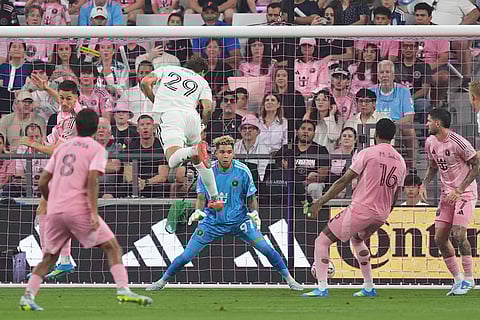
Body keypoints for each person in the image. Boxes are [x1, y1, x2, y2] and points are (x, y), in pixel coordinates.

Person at [19, 109, 152, 311]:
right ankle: (123, 289)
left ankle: (28, 296)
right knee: (113, 247)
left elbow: (44, 181)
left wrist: (51, 200)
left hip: (55, 210)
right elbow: (92, 180)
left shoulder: (62, 148)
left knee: (49, 258)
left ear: (77, 127)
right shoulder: (96, 149)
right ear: (95, 128)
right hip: (78, 209)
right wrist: (92, 211)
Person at [146, 135, 303, 292]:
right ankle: (161, 282)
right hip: (212, 222)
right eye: (222, 152)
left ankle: (290, 280)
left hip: (239, 221)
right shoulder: (207, 171)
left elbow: (252, 197)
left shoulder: (243, 171)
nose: (226, 155)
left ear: (233, 153)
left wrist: (255, 212)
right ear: (216, 154)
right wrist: (199, 211)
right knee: (186, 256)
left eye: (229, 152)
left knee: (267, 249)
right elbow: (201, 197)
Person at [303, 118, 407, 297]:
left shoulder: (368, 153)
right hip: (381, 213)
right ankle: (368, 287)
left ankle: (321, 287)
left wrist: (320, 201)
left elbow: (344, 180)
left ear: (376, 134)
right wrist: (385, 213)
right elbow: (396, 194)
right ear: (393, 137)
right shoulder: (400, 161)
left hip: (362, 208)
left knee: (322, 240)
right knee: (358, 240)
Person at [140, 55, 223, 210]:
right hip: (193, 118)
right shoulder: (202, 81)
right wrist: (204, 123)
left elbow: (145, 82)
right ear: (202, 72)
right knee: (199, 161)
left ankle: (193, 149)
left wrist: (155, 99)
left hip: (171, 116)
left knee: (172, 160)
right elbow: (208, 108)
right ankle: (215, 197)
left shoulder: (168, 69)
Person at [420, 108, 479, 296]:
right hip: (446, 196)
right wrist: (423, 184)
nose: (426, 124)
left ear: (438, 123)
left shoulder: (458, 142)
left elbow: (477, 165)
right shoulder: (430, 142)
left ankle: (470, 279)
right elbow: (432, 166)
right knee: (439, 238)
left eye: (429, 121)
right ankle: (458, 280)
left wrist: (460, 189)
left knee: (459, 234)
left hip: (465, 193)